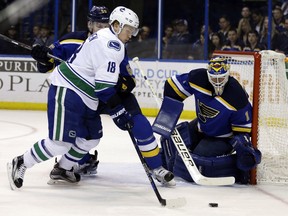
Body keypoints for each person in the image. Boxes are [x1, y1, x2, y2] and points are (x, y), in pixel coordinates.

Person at [7, 6, 175, 190]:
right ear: (117, 25)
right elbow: (103, 88)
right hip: (70, 90)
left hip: (89, 95)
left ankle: (63, 169)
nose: (132, 35)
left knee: (90, 139)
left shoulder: (110, 41)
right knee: (60, 143)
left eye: (134, 31)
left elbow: (121, 83)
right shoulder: (110, 44)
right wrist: (118, 111)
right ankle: (22, 161)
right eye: (129, 30)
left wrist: (119, 102)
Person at [30, 5, 111, 176]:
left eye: (106, 26)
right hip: (70, 95)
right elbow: (46, 65)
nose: (102, 31)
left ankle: (76, 161)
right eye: (99, 26)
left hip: (92, 98)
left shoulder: (112, 46)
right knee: (67, 136)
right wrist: (42, 56)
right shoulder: (71, 41)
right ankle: (70, 164)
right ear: (90, 24)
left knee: (90, 136)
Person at [153, 57, 261, 184]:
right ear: (208, 75)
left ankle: (228, 167)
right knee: (169, 138)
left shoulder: (237, 96)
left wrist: (242, 147)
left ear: (227, 75)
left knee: (198, 159)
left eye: (220, 78)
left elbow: (242, 130)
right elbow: (172, 86)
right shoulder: (198, 78)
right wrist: (169, 108)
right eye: (213, 78)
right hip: (201, 127)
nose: (217, 82)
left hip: (222, 137)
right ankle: (161, 161)